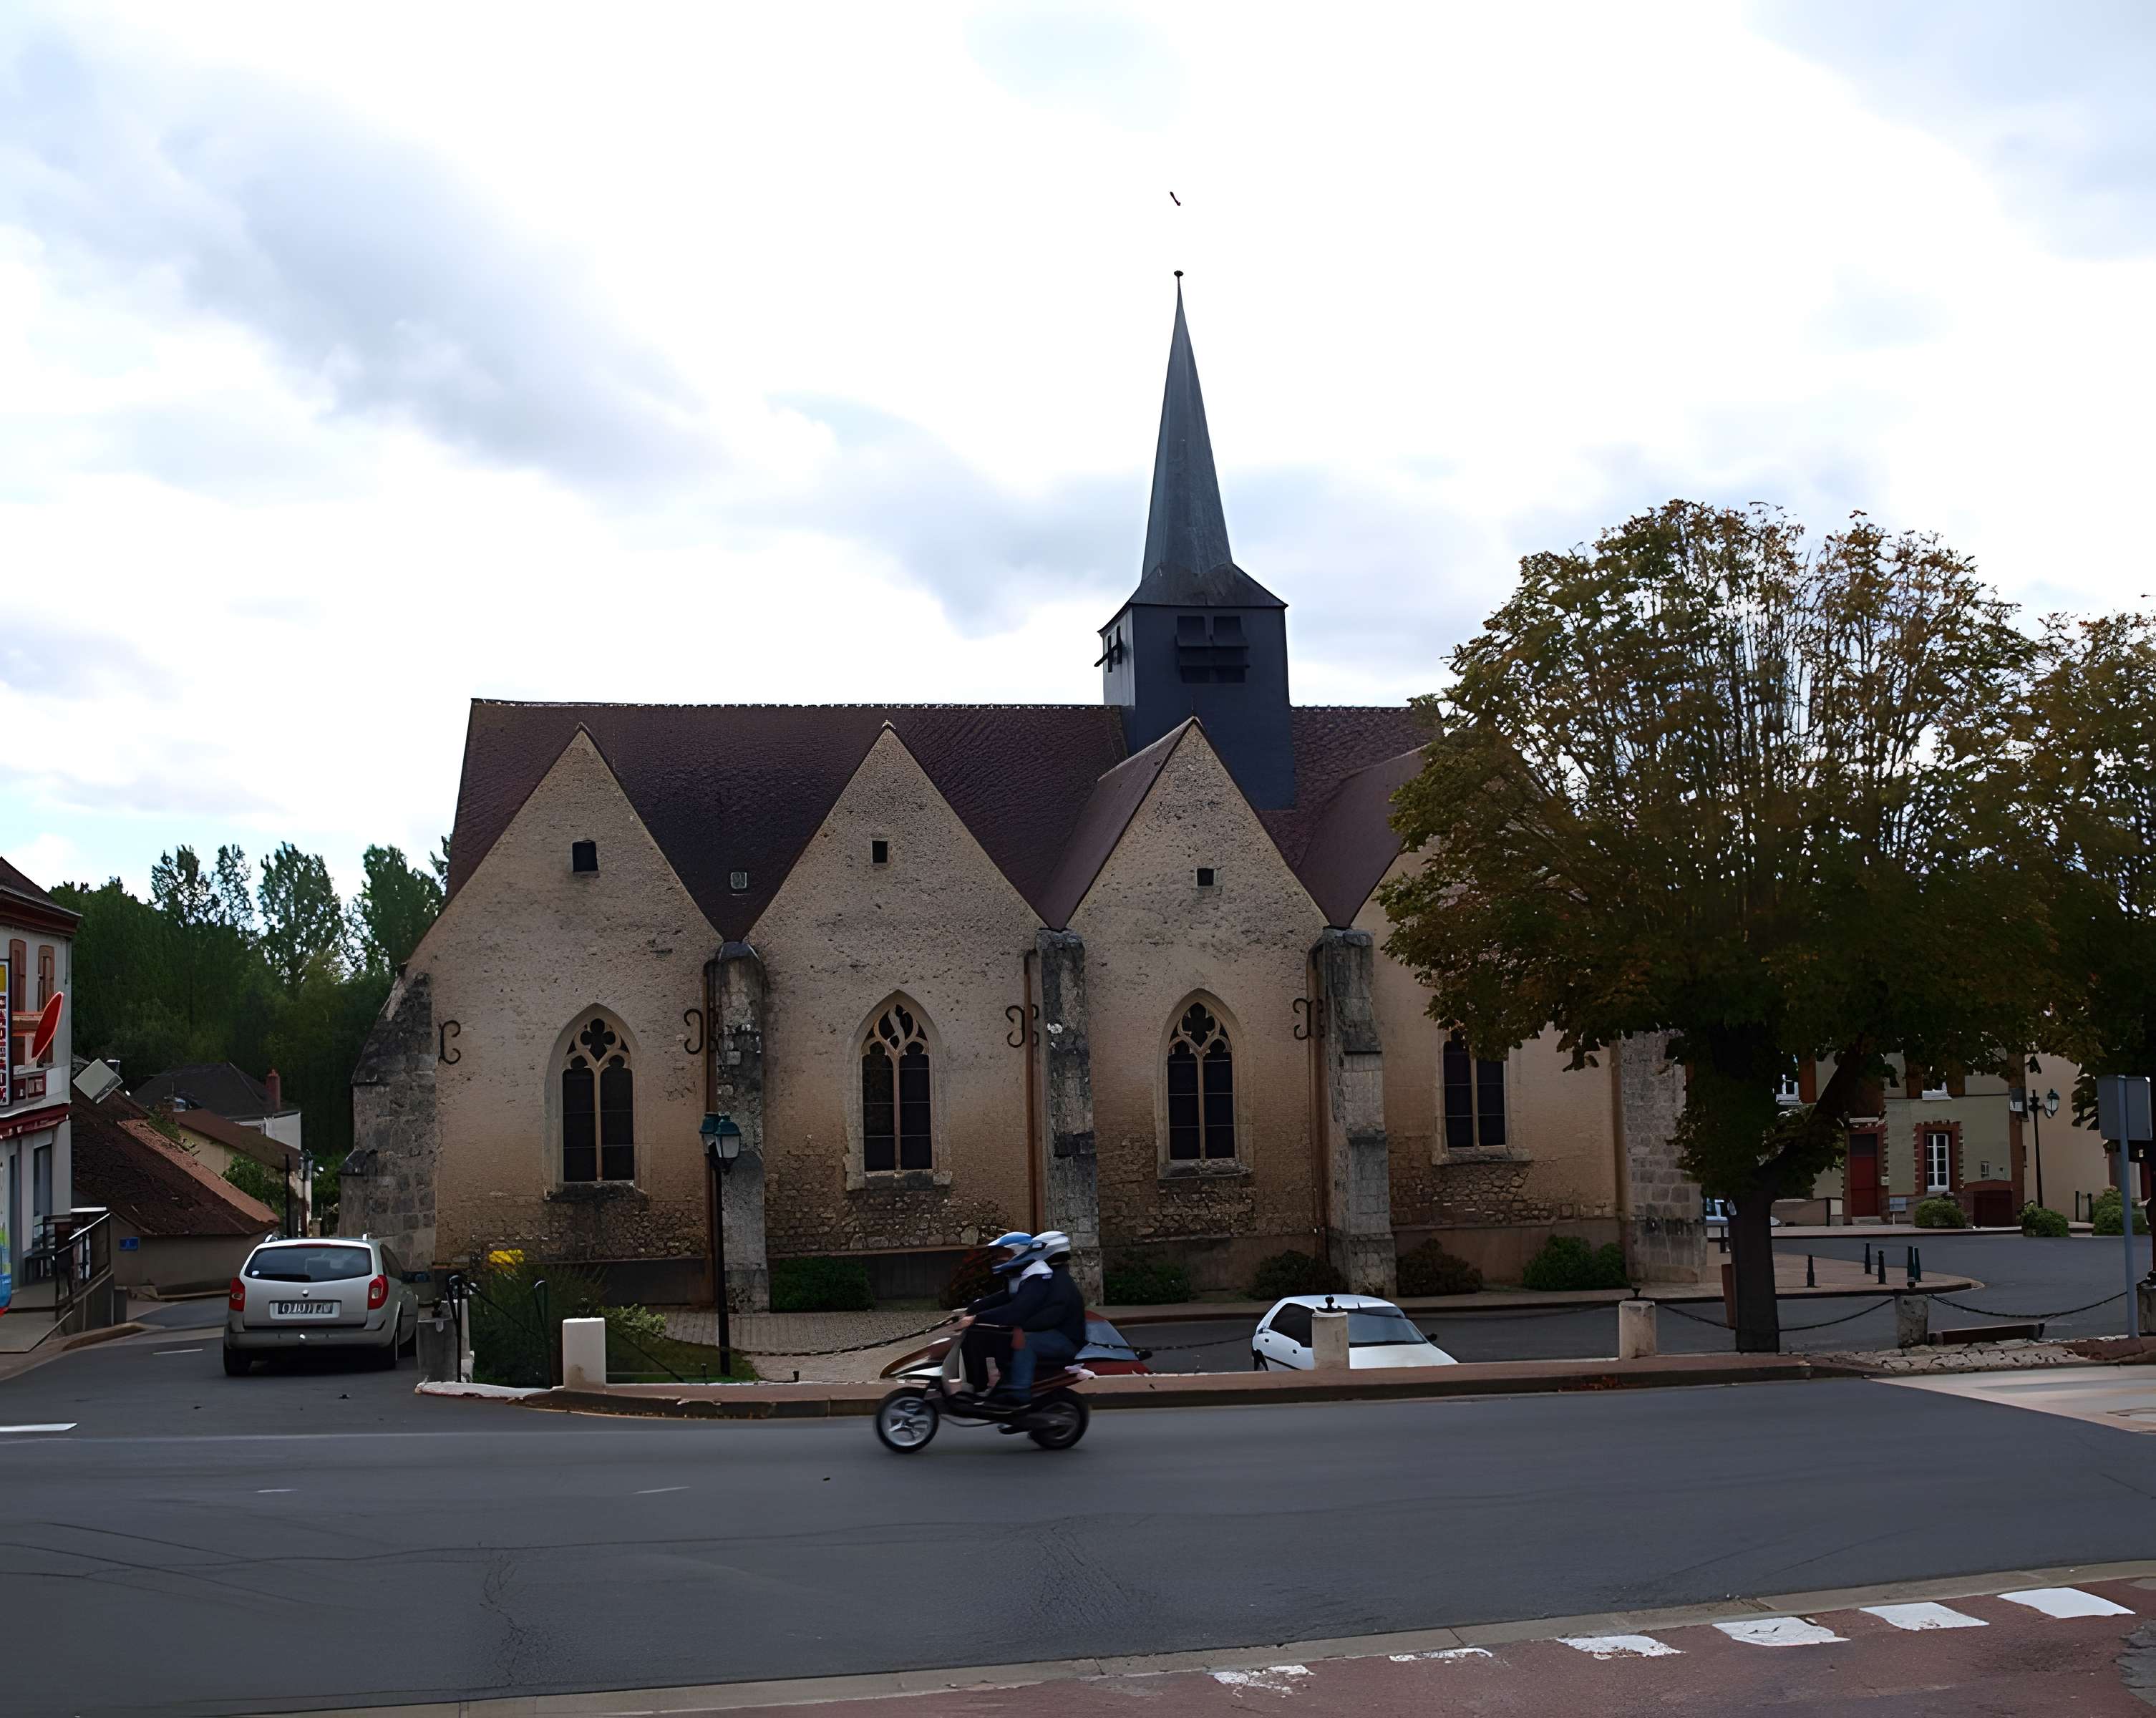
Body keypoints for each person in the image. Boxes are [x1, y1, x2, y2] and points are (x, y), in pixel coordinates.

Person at [980, 1230, 1086, 1406]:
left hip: (1066, 1339)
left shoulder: (1059, 1281)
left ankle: (1019, 1391)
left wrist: (1020, 1326)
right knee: (1005, 1338)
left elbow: (1051, 1316)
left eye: (1036, 1251)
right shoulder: (1049, 1275)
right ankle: (1006, 1383)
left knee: (1025, 1341)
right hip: (1053, 1334)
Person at [951, 1231, 1034, 1398]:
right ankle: (981, 1386)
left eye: (1004, 1254)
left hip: (1027, 1332)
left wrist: (977, 1317)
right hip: (1021, 1327)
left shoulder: (1031, 1275)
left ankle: (979, 1389)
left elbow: (1014, 1308)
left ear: (1018, 1252)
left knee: (975, 1338)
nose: (999, 1258)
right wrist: (972, 1308)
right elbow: (1005, 1296)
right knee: (974, 1334)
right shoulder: (1018, 1274)